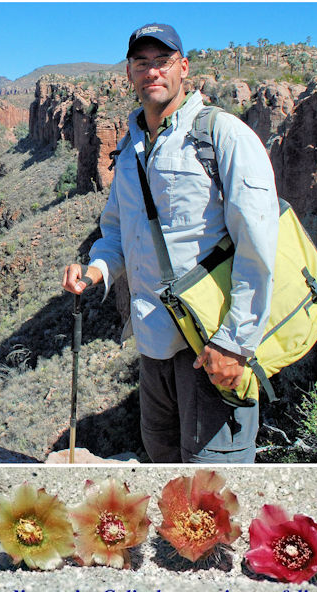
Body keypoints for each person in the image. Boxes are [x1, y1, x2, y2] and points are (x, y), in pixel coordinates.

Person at [62, 23, 279, 463]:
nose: (152, 72)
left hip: (211, 346)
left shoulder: (224, 135)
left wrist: (235, 343)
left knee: (213, 478)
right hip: (153, 345)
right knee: (162, 464)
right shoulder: (130, 149)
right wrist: (95, 271)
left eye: (162, 61)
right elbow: (117, 232)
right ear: (129, 73)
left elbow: (258, 245)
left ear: (184, 68)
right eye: (142, 63)